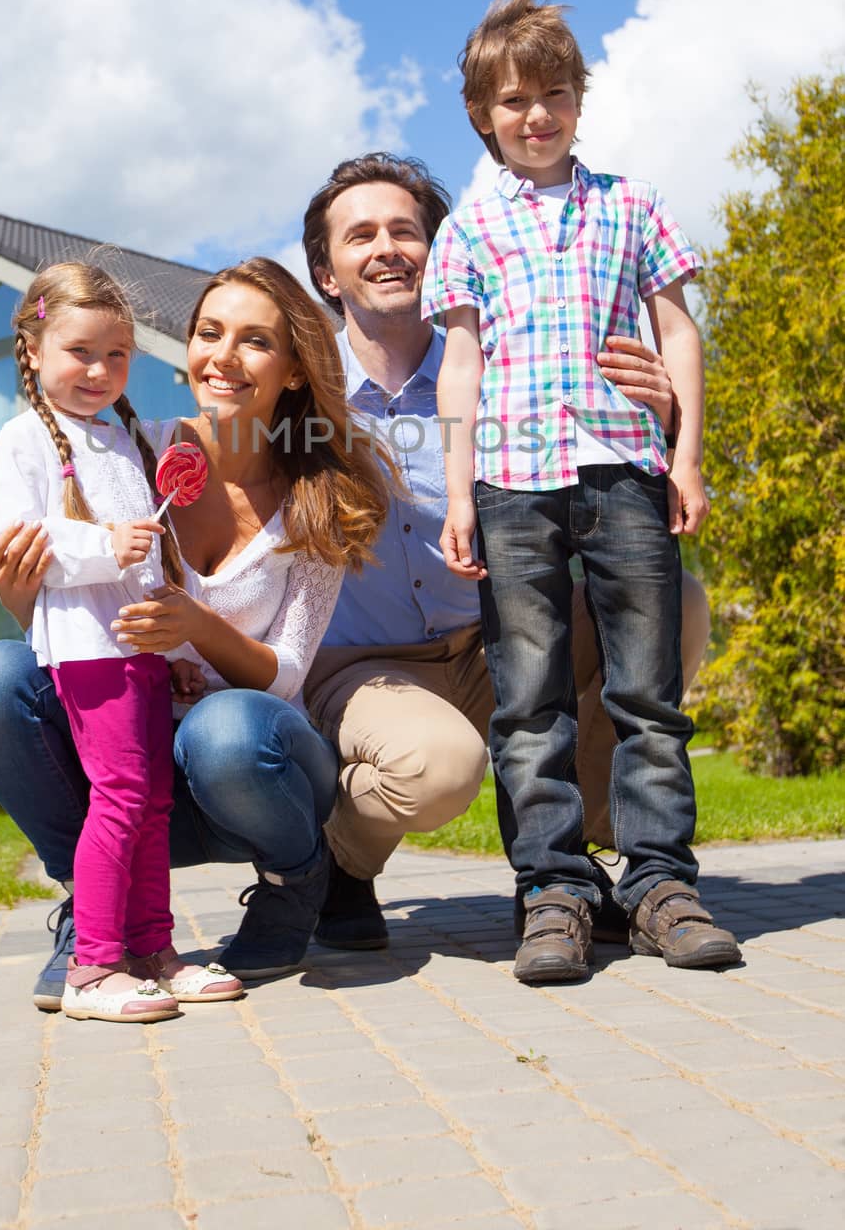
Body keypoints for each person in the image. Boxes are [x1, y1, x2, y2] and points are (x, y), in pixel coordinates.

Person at [299, 151, 712, 954]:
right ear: (326, 272)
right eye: (360, 236)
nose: (387, 247)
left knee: (679, 606)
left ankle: (587, 856)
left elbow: (606, 481)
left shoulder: (504, 373)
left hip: (503, 636)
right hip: (370, 667)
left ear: (441, 252)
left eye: (405, 230)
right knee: (438, 765)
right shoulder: (298, 395)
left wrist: (661, 409)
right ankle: (338, 864)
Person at [0, 257, 391, 994]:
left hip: (248, 773)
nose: (221, 357)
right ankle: (97, 916)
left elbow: (286, 672)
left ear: (293, 369)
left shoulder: (319, 498)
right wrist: (20, 596)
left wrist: (197, 626)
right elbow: (77, 606)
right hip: (131, 738)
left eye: (253, 340)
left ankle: (298, 881)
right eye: (208, 332)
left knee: (223, 727)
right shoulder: (128, 450)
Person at [422, 0, 740, 983]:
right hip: (513, 488)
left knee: (646, 690)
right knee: (527, 701)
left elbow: (678, 332)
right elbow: (460, 368)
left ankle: (657, 885)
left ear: (577, 99)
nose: (535, 114)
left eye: (553, 93)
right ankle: (551, 892)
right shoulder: (468, 230)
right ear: (483, 115)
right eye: (514, 100)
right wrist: (462, 495)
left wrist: (682, 454)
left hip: (623, 476)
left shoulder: (629, 205)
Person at [0, 261, 242, 1022]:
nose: (99, 370)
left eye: (116, 354)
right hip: (85, 650)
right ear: (32, 349)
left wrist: (181, 653)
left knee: (153, 802)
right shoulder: (23, 439)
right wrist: (107, 543)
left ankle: (153, 952)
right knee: (123, 797)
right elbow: (23, 542)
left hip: (137, 652)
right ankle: (93, 968)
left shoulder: (121, 437)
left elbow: (155, 562)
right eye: (79, 351)